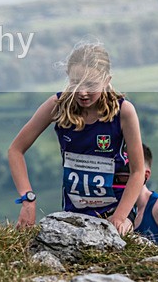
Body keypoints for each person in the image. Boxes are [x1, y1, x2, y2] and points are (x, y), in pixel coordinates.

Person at [8, 41, 145, 235]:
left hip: (116, 207)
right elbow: (15, 150)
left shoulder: (124, 111)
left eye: (91, 84)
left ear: (107, 80)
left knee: (115, 246)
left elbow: (138, 171)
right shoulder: (57, 104)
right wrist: (27, 199)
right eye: (75, 83)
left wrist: (120, 217)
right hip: (73, 212)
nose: (82, 92)